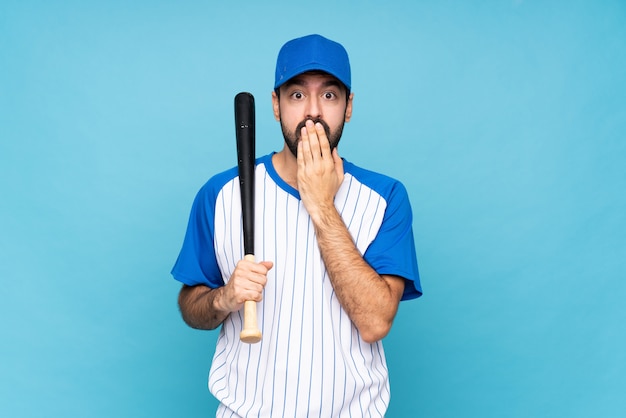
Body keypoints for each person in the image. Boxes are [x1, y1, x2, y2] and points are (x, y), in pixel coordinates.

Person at [172, 34, 422, 417]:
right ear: (275, 104)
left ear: (349, 107)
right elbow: (191, 305)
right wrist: (225, 297)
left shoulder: (385, 197)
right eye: (297, 95)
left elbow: (374, 322)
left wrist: (321, 204)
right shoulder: (221, 194)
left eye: (330, 95)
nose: (313, 112)